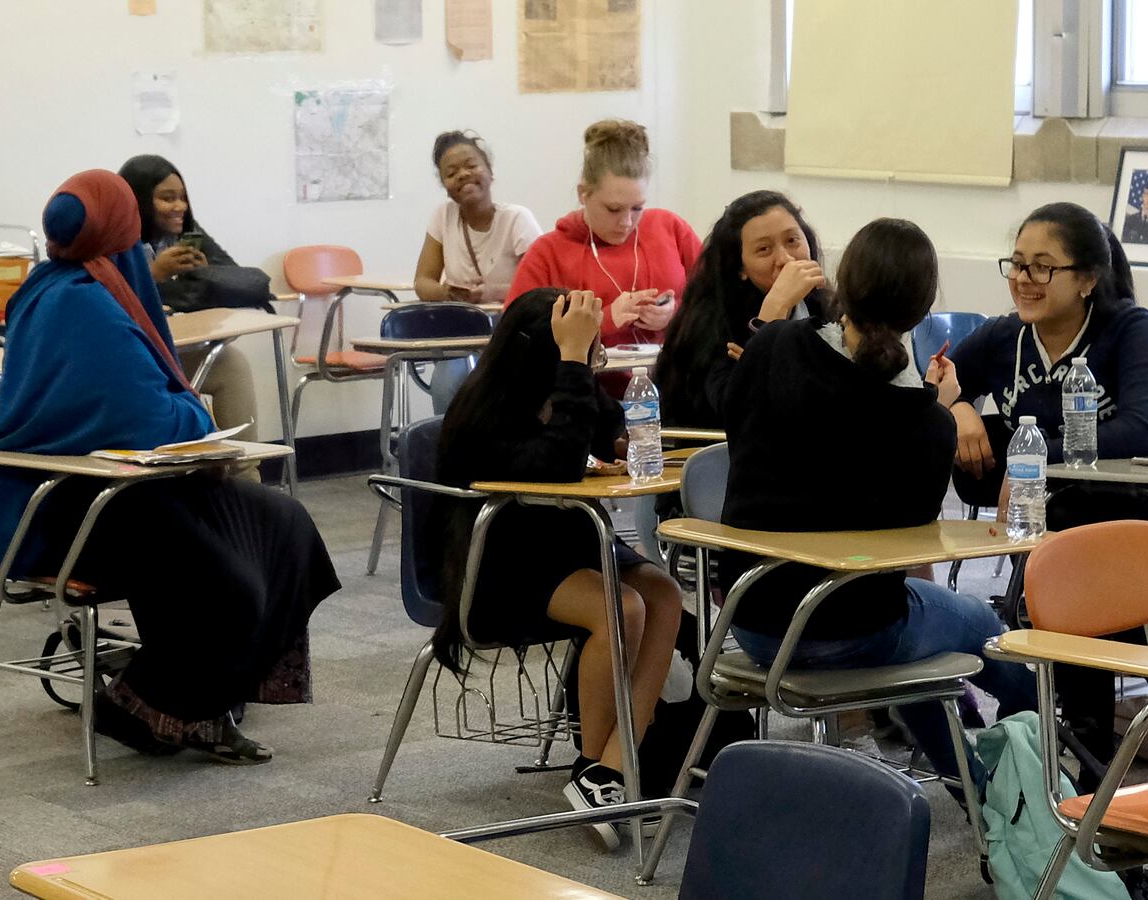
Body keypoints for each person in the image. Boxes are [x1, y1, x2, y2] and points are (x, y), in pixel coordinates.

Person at [0, 169, 340, 763]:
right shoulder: (78, 302)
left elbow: (141, 411)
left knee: (283, 523)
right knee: (225, 574)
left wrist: (181, 410)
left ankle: (206, 703)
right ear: (123, 227)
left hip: (131, 489)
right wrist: (193, 412)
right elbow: (147, 418)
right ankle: (144, 705)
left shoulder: (81, 289)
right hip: (68, 505)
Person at [718, 217, 1036, 791]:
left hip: (752, 619)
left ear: (843, 284)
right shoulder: (925, 424)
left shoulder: (773, 347)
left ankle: (983, 792)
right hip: (850, 626)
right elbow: (909, 535)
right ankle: (1047, 767)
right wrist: (936, 407)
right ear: (922, 312)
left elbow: (737, 423)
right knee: (985, 625)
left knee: (916, 649)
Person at [946, 201, 1148, 770]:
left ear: (1086, 280)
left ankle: (1093, 741)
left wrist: (1028, 457)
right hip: (1051, 526)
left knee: (1076, 564)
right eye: (1017, 264)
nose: (1023, 280)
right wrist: (958, 408)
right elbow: (935, 384)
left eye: (1042, 267)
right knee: (1070, 558)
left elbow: (1139, 429)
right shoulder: (1003, 337)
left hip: (1147, 516)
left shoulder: (1129, 328)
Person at [434, 288, 683, 849]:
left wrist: (607, 418)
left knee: (663, 594)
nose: (590, 362)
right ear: (541, 354)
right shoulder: (484, 410)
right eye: (580, 352)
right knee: (621, 607)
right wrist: (573, 365)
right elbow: (556, 466)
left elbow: (604, 428)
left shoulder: (563, 387)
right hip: (498, 564)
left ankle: (612, 769)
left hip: (566, 546)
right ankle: (595, 767)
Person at [118, 154, 260, 479]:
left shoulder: (186, 234)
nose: (179, 206)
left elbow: (243, 282)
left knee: (231, 363)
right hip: (131, 363)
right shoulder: (115, 242)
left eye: (183, 197)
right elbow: (110, 300)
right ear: (140, 200)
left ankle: (248, 482)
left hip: (173, 353)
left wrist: (195, 278)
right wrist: (154, 274)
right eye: (167, 198)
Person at [507, 120, 701, 349]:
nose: (627, 222)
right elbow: (514, 337)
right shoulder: (547, 252)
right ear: (583, 194)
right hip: (584, 381)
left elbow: (716, 301)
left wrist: (675, 313)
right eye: (613, 209)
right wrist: (602, 320)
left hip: (672, 377)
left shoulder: (670, 227)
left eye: (637, 208)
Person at [654, 190, 829, 428]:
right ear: (740, 268)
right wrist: (770, 317)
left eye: (792, 241)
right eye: (764, 250)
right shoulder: (713, 324)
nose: (786, 259)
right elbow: (736, 414)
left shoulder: (827, 309)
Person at [413, 131, 542, 303]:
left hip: (511, 324)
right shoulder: (443, 215)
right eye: (451, 174)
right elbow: (422, 282)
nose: (463, 174)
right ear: (444, 186)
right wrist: (445, 293)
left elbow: (542, 287)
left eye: (472, 166)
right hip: (460, 322)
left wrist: (495, 293)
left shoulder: (517, 219)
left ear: (490, 172)